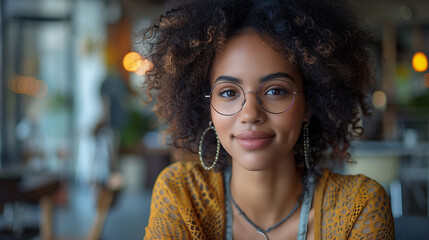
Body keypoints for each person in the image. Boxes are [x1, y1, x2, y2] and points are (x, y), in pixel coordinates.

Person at [142, 0, 394, 239]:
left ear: (310, 103)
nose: (250, 114)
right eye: (228, 92)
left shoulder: (359, 207)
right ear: (208, 107)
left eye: (276, 91)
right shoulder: (181, 195)